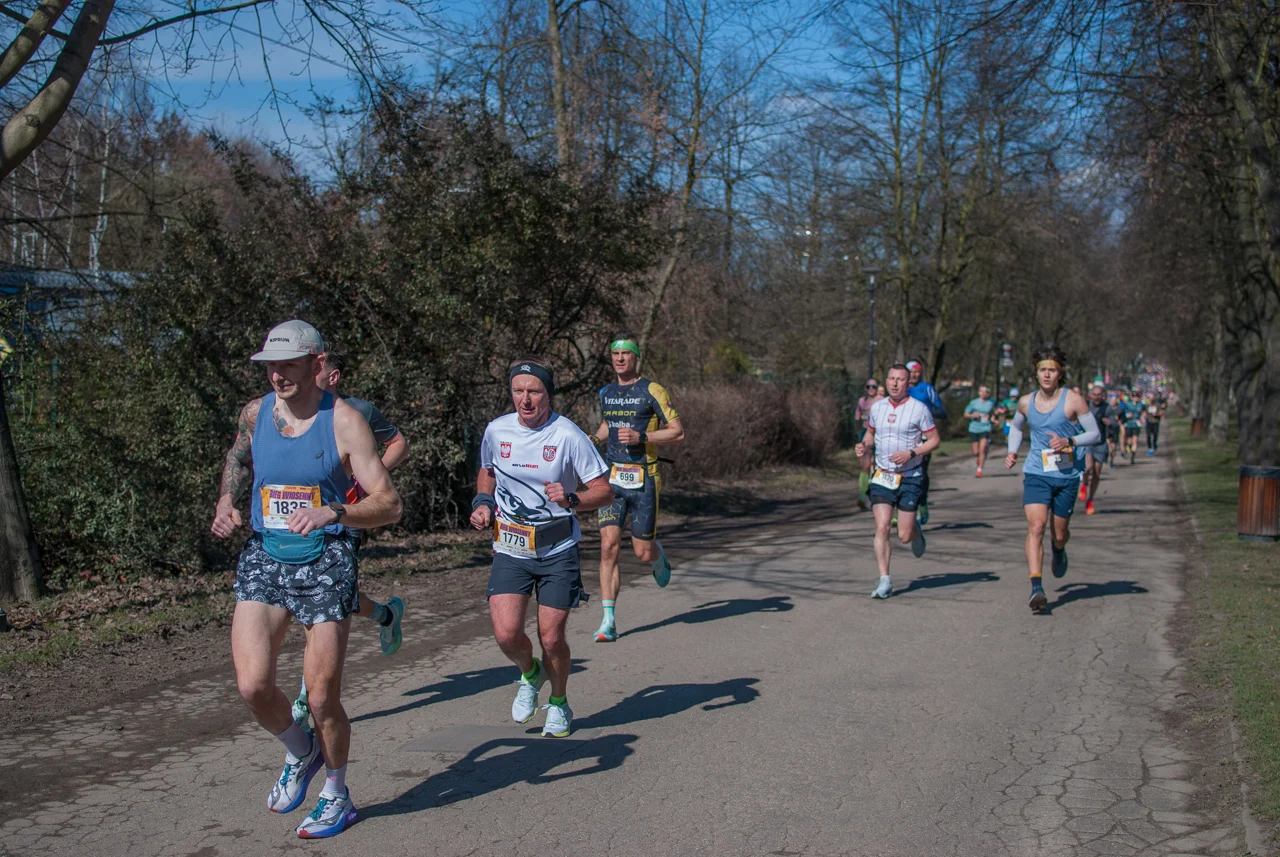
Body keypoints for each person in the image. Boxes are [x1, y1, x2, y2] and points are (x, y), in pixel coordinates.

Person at [211, 320, 402, 838]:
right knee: (253, 685)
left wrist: (334, 511)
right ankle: (302, 751)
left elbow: (389, 503)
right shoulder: (256, 413)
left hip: (326, 558)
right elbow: (237, 456)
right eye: (270, 366)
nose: (277, 375)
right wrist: (228, 500)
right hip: (267, 555)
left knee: (320, 698)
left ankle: (337, 794)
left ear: (317, 364)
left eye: (288, 365)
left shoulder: (344, 422)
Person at [470, 357, 614, 737]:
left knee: (551, 637)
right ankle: (530, 674)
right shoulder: (497, 431)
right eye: (519, 391)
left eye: (534, 391)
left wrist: (571, 499)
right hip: (511, 546)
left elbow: (604, 491)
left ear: (548, 394)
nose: (526, 400)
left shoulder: (568, 435)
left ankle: (559, 702)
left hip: (556, 550)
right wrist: (483, 503)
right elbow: (487, 469)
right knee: (506, 634)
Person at [290, 351, 410, 731]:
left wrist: (365, 481)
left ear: (333, 375)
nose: (308, 375)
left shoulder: (357, 411)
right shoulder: (293, 412)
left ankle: (305, 694)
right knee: (322, 595)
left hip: (347, 515)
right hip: (300, 516)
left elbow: (399, 444)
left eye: (316, 369)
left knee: (325, 595)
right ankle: (386, 614)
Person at [593, 334, 685, 642]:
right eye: (615, 353)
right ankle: (608, 620)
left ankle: (658, 557)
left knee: (642, 552)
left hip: (645, 479)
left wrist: (642, 438)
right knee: (608, 547)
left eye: (626, 354)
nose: (620, 358)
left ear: (636, 358)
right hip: (612, 479)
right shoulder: (606, 392)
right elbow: (609, 425)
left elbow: (677, 431)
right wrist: (593, 440)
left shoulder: (652, 390)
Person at [1004, 346, 1101, 612]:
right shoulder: (1026, 402)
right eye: (1042, 370)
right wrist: (1013, 450)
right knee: (1036, 527)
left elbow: (1095, 434)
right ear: (1036, 373)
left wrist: (1069, 440)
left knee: (1059, 534)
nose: (1047, 375)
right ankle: (1036, 588)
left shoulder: (1073, 400)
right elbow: (1016, 426)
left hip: (1067, 476)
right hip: (1036, 472)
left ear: (1060, 373)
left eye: (1052, 370)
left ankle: (1058, 549)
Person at [856, 364, 941, 599]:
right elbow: (871, 434)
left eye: (900, 379)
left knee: (904, 535)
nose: (895, 383)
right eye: (891, 378)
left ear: (907, 383)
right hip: (883, 475)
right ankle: (885, 580)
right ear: (887, 380)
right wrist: (864, 444)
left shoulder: (919, 409)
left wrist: (912, 453)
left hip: (910, 477)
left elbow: (934, 440)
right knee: (882, 527)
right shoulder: (878, 408)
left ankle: (915, 532)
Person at [906, 359, 947, 525]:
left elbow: (942, 411)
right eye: (911, 371)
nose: (914, 375)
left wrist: (926, 411)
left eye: (917, 371)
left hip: (924, 437)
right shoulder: (900, 389)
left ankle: (922, 502)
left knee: (921, 470)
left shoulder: (927, 389)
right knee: (899, 471)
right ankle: (903, 509)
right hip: (904, 436)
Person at [1080, 384, 1110, 515]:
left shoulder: (1107, 407)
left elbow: (1115, 423)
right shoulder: (1085, 406)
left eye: (1099, 395)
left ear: (1103, 396)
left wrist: (1110, 423)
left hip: (1100, 443)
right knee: (1087, 467)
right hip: (1087, 442)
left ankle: (1090, 500)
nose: (1097, 397)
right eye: (1095, 394)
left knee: (1097, 472)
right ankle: (1084, 484)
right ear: (1090, 395)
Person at [855, 378, 883, 505]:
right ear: (865, 388)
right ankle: (862, 495)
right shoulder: (861, 401)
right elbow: (857, 415)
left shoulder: (881, 401)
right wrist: (859, 416)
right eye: (868, 386)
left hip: (879, 434)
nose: (871, 389)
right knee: (865, 465)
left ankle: (877, 493)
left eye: (874, 386)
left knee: (877, 465)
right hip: (865, 432)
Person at [963, 385, 996, 476]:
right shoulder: (973, 403)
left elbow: (992, 413)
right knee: (975, 452)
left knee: (982, 449)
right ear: (979, 392)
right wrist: (973, 416)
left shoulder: (991, 403)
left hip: (985, 427)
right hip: (974, 428)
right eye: (982, 391)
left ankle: (979, 469)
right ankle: (979, 458)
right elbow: (965, 414)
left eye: (985, 391)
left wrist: (994, 420)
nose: (983, 393)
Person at [1103, 392, 1124, 471]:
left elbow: (1123, 418)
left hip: (1115, 429)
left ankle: (1111, 460)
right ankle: (1106, 454)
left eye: (1115, 400)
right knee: (1108, 444)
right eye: (1112, 399)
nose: (1113, 401)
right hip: (1107, 429)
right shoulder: (1106, 408)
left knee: (1114, 447)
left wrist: (1121, 421)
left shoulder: (1120, 409)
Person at [1122, 392, 1143, 464]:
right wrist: (1127, 415)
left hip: (1136, 424)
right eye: (1134, 397)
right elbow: (1124, 412)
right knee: (1129, 441)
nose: (1135, 398)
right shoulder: (1128, 404)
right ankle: (1129, 448)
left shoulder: (1141, 404)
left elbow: (1144, 412)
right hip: (1129, 424)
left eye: (1136, 396)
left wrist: (1142, 418)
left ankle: (1133, 456)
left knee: (1135, 441)